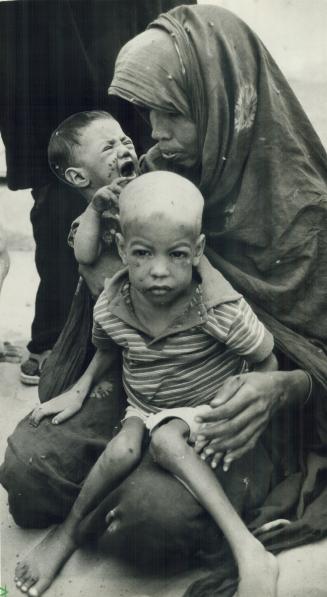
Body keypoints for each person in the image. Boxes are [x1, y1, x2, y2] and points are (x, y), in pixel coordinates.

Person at [1, 5, 327, 597]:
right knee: (27, 467)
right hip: (150, 390)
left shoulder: (304, 210)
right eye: (148, 114)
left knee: (148, 523)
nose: (154, 135)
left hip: (240, 415)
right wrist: (100, 264)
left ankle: (150, 500)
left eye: (170, 113)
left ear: (225, 101)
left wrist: (284, 386)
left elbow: (312, 350)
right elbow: (114, 314)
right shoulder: (154, 176)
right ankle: (133, 490)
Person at [15, 171, 278, 597]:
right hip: (142, 407)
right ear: (121, 249)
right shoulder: (111, 303)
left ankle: (247, 548)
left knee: (167, 443)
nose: (158, 271)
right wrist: (79, 390)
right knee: (121, 448)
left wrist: (241, 407)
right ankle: (67, 533)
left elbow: (266, 359)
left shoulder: (220, 309)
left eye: (176, 255)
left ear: (198, 251)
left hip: (201, 407)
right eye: (141, 253)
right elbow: (108, 350)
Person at [0, 0, 189, 385]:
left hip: (128, 24)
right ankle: (57, 338)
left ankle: (153, 335)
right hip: (53, 36)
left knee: (147, 170)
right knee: (63, 189)